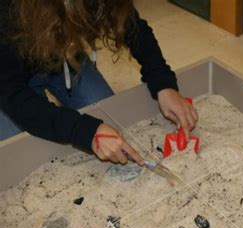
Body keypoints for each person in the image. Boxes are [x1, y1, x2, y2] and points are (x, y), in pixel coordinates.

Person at [0, 0, 198, 165]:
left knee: (105, 108)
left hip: (63, 54)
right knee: (18, 151)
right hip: (7, 72)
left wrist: (164, 83)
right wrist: (84, 131)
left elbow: (132, 25)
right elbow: (14, 96)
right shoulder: (9, 11)